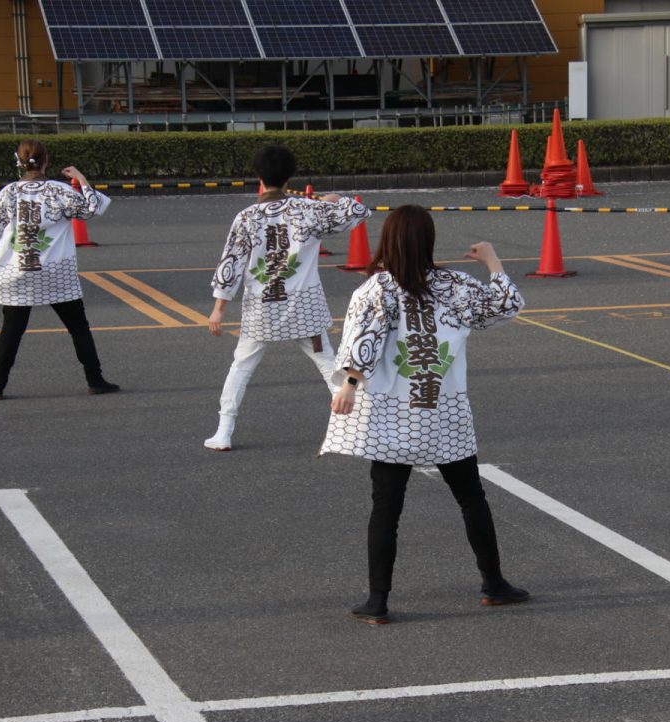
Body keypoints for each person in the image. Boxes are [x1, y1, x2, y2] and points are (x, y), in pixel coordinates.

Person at [320, 206, 527, 625]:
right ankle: (494, 583)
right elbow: (505, 307)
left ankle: (377, 601)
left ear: (387, 239)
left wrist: (350, 384)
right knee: (471, 498)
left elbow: (364, 341)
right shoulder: (456, 284)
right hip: (444, 410)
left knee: (386, 508)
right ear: (429, 240)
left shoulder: (376, 288)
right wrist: (492, 261)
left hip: (394, 414)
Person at [205, 145, 369, 451]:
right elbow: (358, 212)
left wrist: (218, 308)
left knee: (241, 367)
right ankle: (355, 426)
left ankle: (224, 430)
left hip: (261, 308)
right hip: (305, 307)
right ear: (290, 177)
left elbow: (231, 264)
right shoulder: (309, 210)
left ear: (258, 176)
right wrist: (334, 200)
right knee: (329, 365)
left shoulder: (247, 217)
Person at [0, 139, 117, 400]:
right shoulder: (60, 190)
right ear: (46, 160)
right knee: (78, 326)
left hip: (17, 271)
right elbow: (92, 208)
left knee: (11, 329)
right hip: (55, 271)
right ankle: (95, 379)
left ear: (19, 162)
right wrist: (79, 177)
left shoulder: (9, 192)